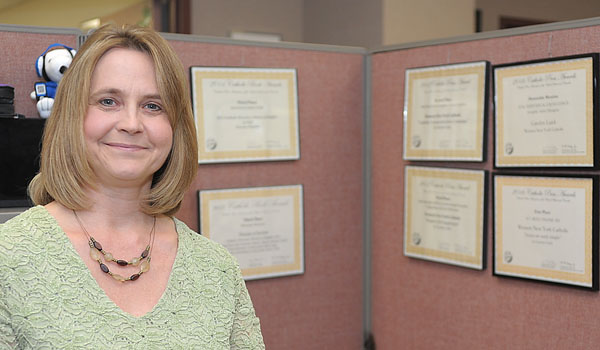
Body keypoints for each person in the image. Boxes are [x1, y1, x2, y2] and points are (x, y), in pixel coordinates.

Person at [0, 24, 265, 349]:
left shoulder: (217, 270)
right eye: (108, 101)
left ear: (175, 128)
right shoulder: (10, 258)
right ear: (71, 116)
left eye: (153, 106)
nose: (131, 124)